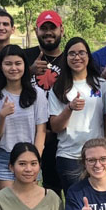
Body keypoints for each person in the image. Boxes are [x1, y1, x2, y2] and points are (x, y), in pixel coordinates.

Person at [48, 37, 106, 190]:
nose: (77, 57)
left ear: (88, 57)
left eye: (81, 53)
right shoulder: (58, 88)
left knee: (98, 200)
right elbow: (55, 127)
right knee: (76, 203)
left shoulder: (101, 85)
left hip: (97, 155)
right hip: (69, 156)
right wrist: (69, 108)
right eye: (72, 54)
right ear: (66, 58)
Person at [0, 47, 48, 189]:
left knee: (29, 204)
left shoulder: (37, 94)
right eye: (8, 64)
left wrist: (34, 161)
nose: (13, 68)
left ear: (25, 66)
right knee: (8, 205)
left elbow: (41, 131)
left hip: (30, 156)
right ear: (1, 67)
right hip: (4, 156)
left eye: (18, 63)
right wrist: (2, 115)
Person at [27, 10, 67, 192]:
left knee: (63, 187)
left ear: (62, 30)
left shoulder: (70, 59)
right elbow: (5, 83)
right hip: (31, 132)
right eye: (44, 28)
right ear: (36, 31)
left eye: (53, 28)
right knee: (32, 187)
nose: (49, 32)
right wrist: (29, 71)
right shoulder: (25, 56)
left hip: (62, 134)